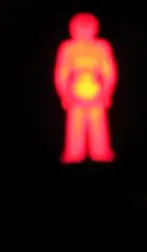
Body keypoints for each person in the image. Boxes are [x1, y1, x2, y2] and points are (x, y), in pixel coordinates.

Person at [54, 13, 116, 164]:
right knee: (75, 124)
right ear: (72, 29)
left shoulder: (101, 46)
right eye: (80, 28)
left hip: (96, 90)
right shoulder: (67, 48)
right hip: (76, 90)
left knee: (98, 125)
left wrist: (106, 91)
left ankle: (100, 153)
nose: (83, 32)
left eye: (87, 28)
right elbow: (61, 73)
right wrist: (65, 94)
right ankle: (74, 153)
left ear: (95, 29)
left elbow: (109, 72)